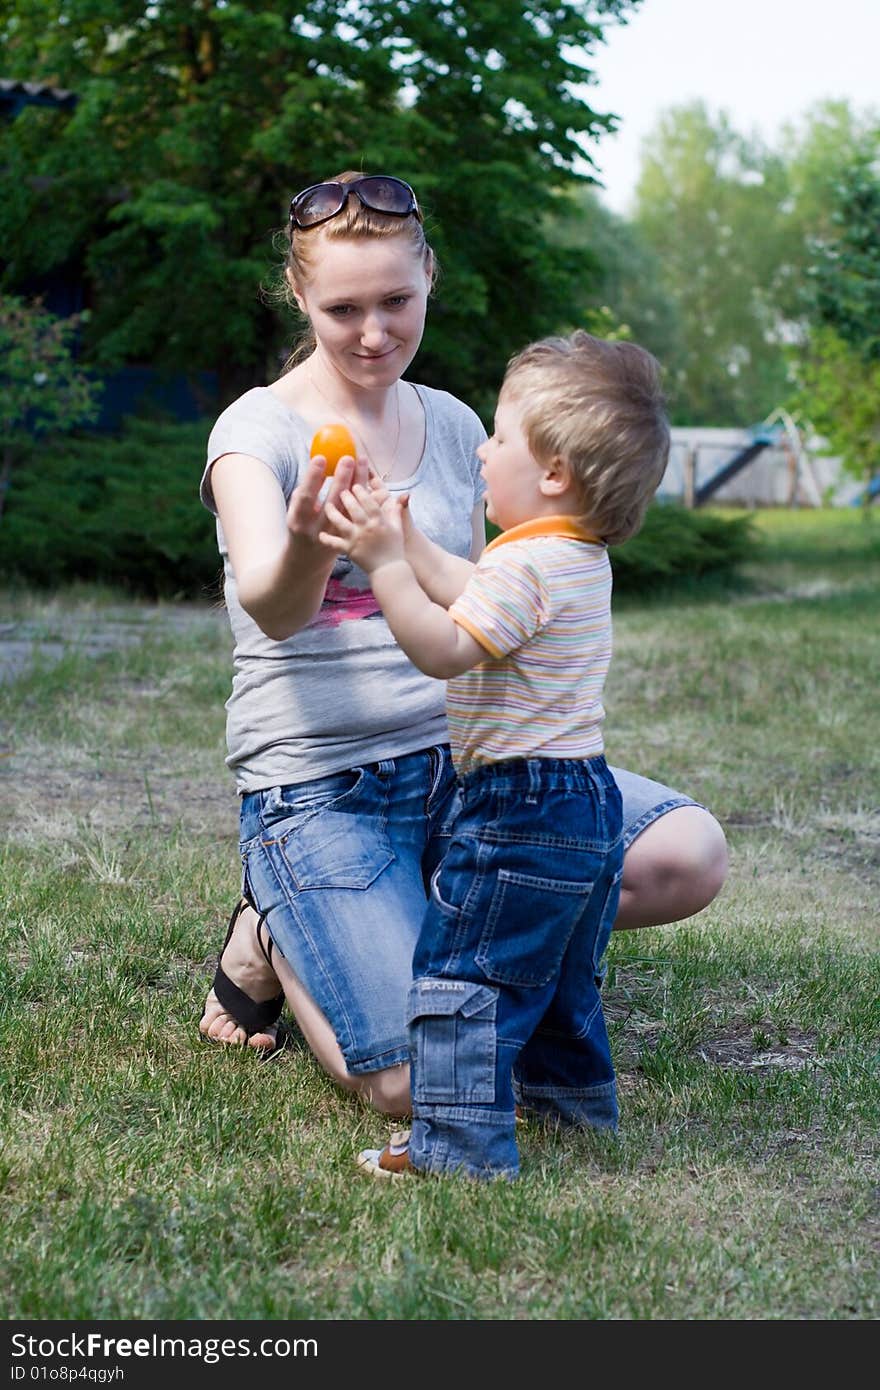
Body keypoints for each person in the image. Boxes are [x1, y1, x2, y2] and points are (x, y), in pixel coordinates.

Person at [198, 171, 728, 1121]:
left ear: (430, 279)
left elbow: (486, 601)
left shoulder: (451, 425)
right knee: (411, 1085)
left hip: (469, 770)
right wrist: (318, 545)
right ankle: (274, 934)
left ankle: (435, 922)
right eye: (344, 308)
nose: (374, 333)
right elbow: (272, 612)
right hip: (327, 786)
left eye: (396, 302)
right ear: (299, 295)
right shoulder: (256, 432)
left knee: (685, 853)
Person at [318, 330, 669, 1179]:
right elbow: (470, 586)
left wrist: (380, 568)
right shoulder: (567, 557)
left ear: (553, 473)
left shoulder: (529, 568)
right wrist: (404, 542)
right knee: (554, 975)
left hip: (517, 803)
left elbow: (444, 647)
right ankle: (577, 1112)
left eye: (502, 435)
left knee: (464, 974)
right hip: (582, 798)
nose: (483, 447)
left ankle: (458, 1150)